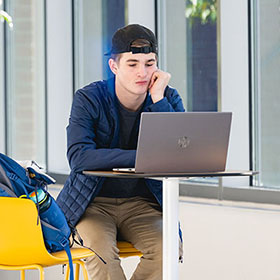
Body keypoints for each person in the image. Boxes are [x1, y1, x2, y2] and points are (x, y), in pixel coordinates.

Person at [57, 24, 184, 280]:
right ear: (114, 67)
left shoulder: (166, 98)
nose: (143, 72)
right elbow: (79, 157)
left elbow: (177, 155)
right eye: (133, 64)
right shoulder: (89, 98)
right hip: (92, 205)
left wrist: (158, 99)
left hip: (141, 205)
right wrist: (145, 158)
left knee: (168, 248)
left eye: (150, 63)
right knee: (101, 253)